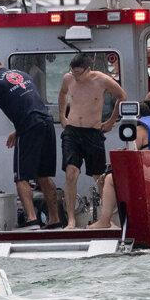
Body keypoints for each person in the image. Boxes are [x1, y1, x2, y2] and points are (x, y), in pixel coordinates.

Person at [0, 51, 60, 228]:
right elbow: (31, 104)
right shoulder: (21, 74)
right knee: (43, 176)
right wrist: (17, 131)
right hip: (46, 123)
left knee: (21, 177)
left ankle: (31, 220)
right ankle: (55, 221)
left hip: (30, 127)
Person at [57, 53, 127, 229]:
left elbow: (121, 96)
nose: (76, 76)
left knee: (99, 177)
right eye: (73, 72)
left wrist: (111, 121)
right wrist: (62, 117)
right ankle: (71, 219)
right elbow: (63, 93)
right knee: (71, 173)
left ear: (89, 70)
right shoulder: (68, 78)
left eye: (79, 73)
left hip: (93, 131)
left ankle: (105, 219)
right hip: (72, 131)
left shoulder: (102, 80)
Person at [88, 102, 150, 229]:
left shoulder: (139, 129)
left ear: (136, 115)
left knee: (110, 179)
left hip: (147, 174)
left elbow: (132, 154)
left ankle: (104, 221)